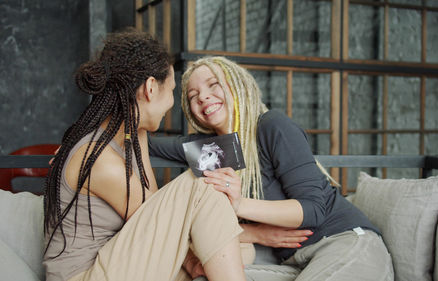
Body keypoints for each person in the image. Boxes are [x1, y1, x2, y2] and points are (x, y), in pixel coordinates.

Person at [148, 56, 394, 281]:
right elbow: (143, 143)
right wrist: (256, 234)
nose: (202, 96)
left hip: (343, 241)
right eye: (193, 95)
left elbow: (313, 209)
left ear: (238, 85)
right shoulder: (209, 150)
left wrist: (239, 204)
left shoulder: (270, 126)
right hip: (292, 262)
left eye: (213, 85)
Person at [43, 31, 246, 281]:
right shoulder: (100, 160)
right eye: (172, 89)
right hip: (87, 276)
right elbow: (156, 218)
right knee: (203, 184)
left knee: (235, 250)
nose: (172, 102)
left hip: (115, 262)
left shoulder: (123, 140)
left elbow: (150, 212)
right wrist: (192, 263)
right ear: (150, 88)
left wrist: (140, 129)